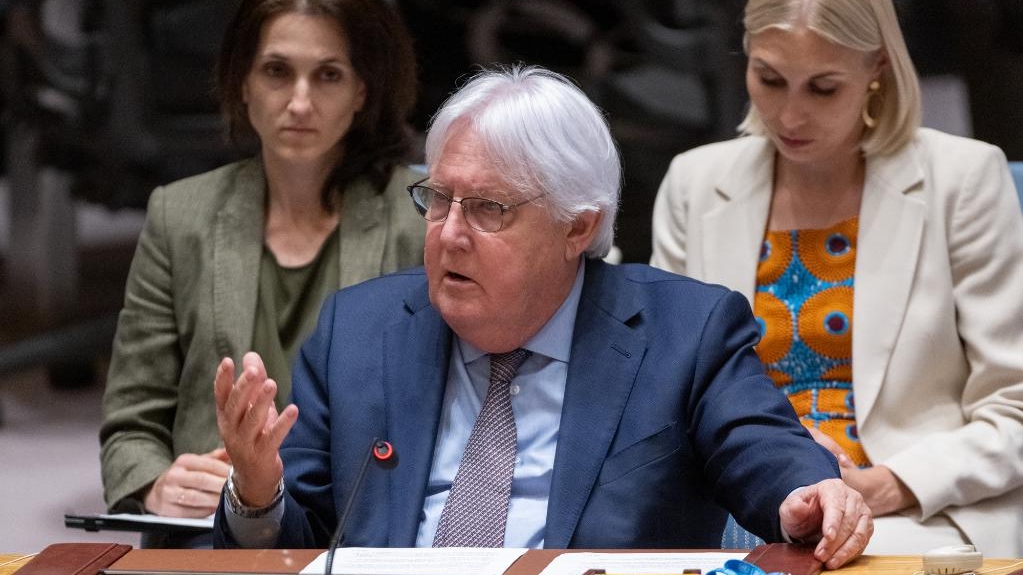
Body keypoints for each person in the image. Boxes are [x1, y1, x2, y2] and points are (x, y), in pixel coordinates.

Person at [211, 65, 872, 568]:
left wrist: (805, 493)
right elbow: (291, 552)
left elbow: (761, 445)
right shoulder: (358, 331)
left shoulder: (685, 331)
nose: (449, 234)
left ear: (576, 227)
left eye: (489, 209)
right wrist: (258, 491)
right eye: (438, 199)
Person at [650, 0, 1023, 557]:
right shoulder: (693, 184)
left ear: (878, 69)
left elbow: (1014, 405)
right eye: (770, 79)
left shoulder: (963, 181)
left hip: (914, 513)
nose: (790, 116)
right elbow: (665, 395)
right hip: (740, 505)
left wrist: (886, 484)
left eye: (822, 88)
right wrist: (776, 478)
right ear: (747, 56)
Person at [98, 0, 424, 547]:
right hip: (211, 529)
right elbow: (132, 421)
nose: (300, 101)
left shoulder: (420, 220)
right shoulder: (179, 215)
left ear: (363, 91)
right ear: (243, 84)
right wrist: (155, 484)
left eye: (328, 75)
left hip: (358, 529)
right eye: (276, 71)